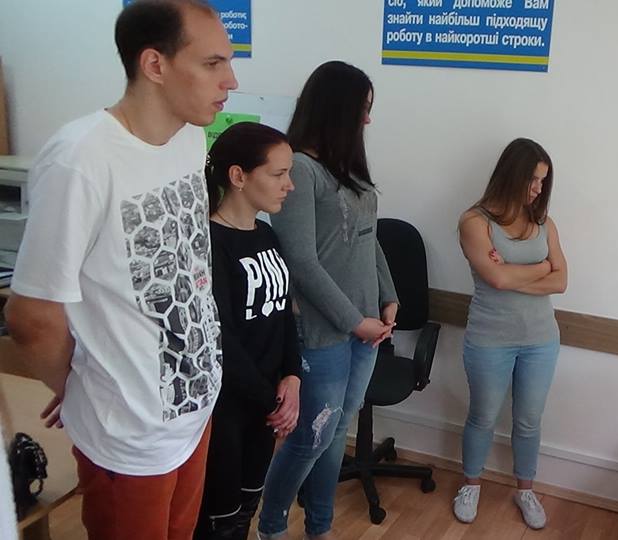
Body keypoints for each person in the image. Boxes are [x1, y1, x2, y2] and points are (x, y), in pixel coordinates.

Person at [2, 1, 237, 538]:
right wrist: (79, 387)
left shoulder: (189, 136)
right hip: (129, 435)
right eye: (212, 63)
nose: (231, 80)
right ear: (155, 65)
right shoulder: (80, 159)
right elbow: (32, 316)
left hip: (192, 407)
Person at [257, 61, 398, 540]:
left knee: (337, 431)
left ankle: (320, 527)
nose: (368, 119)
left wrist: (388, 296)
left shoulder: (349, 169)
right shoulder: (300, 169)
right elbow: (301, 262)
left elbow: (369, 238)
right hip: (323, 333)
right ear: (337, 108)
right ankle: (271, 526)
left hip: (364, 328)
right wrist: (354, 320)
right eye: (362, 109)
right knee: (309, 437)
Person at [454, 138, 568, 529]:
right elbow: (498, 280)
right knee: (482, 416)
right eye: (532, 179)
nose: (538, 189)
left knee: (529, 420)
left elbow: (561, 281)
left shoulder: (544, 224)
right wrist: (542, 267)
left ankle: (525, 490)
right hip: (489, 338)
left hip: (541, 339)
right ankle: (471, 484)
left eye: (543, 181)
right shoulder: (475, 222)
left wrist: (514, 273)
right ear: (511, 173)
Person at [194, 122, 301, 539]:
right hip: (228, 409)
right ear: (238, 176)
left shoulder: (267, 235)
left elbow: (283, 314)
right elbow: (219, 337)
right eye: (278, 174)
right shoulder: (210, 242)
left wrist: (292, 376)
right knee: (219, 518)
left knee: (246, 510)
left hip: (265, 406)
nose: (289, 185)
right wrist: (271, 400)